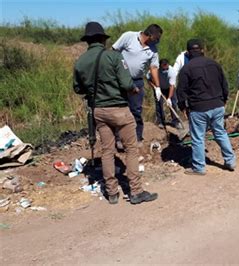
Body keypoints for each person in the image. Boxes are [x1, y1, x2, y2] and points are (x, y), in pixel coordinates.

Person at [73, 22, 158, 205]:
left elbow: (78, 88)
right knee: (131, 149)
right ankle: (135, 191)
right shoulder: (113, 57)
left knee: (107, 151)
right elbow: (127, 83)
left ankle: (112, 193)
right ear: (103, 40)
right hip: (119, 109)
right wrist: (134, 89)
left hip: (98, 111)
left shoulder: (80, 62)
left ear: (87, 41)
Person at [177, 39, 236, 175]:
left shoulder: (186, 69)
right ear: (202, 50)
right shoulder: (214, 64)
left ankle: (199, 167)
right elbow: (224, 84)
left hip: (198, 108)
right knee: (220, 133)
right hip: (217, 105)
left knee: (198, 138)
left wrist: (183, 108)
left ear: (187, 53)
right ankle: (230, 161)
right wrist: (224, 99)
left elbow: (181, 91)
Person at [112, 24, 163, 145]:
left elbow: (154, 68)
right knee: (119, 109)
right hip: (120, 80)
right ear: (150, 35)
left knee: (136, 110)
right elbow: (114, 52)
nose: (158, 41)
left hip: (137, 81)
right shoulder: (129, 36)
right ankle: (118, 138)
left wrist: (158, 87)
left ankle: (137, 137)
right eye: (157, 38)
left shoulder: (153, 50)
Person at [147, 59, 182, 129]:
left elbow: (172, 86)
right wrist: (155, 88)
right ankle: (160, 122)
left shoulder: (172, 71)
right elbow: (148, 79)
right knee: (159, 104)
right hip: (158, 88)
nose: (166, 70)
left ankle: (176, 122)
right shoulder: (154, 70)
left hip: (169, 87)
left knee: (173, 103)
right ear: (160, 67)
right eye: (164, 69)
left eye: (167, 68)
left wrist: (169, 98)